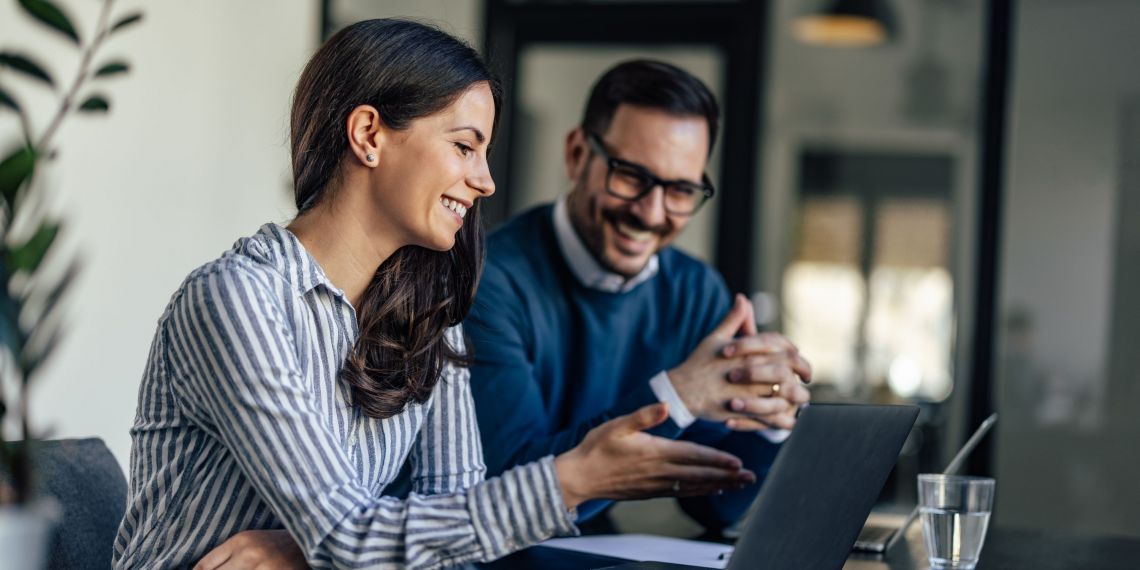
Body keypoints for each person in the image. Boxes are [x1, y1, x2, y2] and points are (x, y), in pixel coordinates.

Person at [112, 22, 754, 570]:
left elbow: (456, 531)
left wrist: (315, 549)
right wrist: (572, 479)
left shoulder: (427, 312)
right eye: (464, 146)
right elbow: (345, 535)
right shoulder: (236, 301)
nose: (485, 180)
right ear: (368, 135)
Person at [463, 59, 813, 532]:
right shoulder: (486, 279)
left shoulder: (696, 291)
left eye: (681, 190)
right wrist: (678, 397)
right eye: (631, 176)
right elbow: (506, 486)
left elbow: (713, 504)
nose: (652, 213)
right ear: (577, 154)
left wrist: (772, 416)